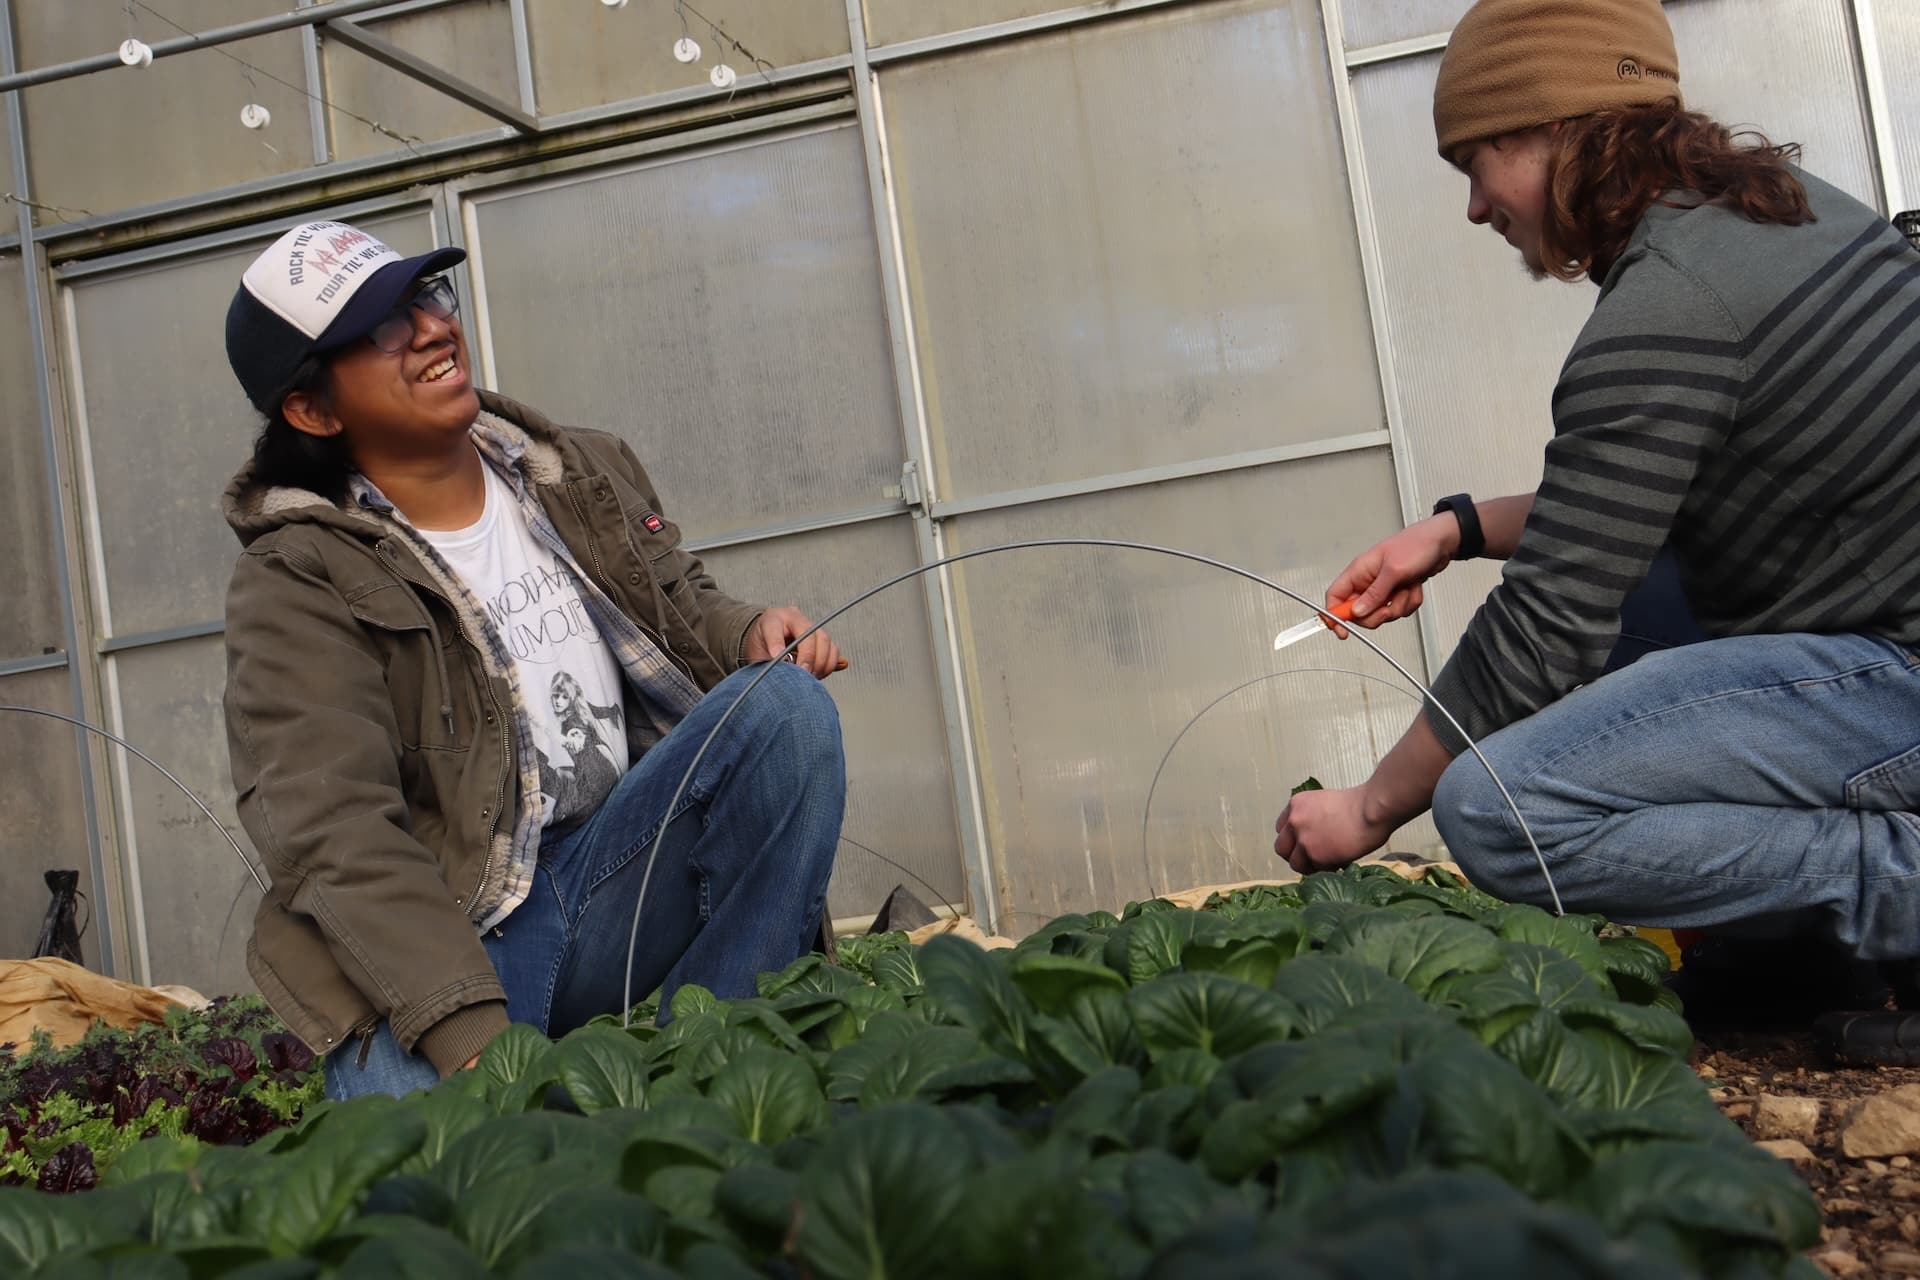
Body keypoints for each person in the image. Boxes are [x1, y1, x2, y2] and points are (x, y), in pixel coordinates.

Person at [1272, 0, 1920, 1038]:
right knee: (1657, 605)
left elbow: (1547, 627)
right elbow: (1644, 499)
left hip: (1900, 676)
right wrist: (1454, 529)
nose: (1477, 208)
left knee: (1500, 808)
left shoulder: (1669, 305)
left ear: (1559, 130)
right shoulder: (1784, 210)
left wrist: (1369, 806)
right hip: (1890, 638)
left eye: (1475, 163)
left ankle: (1894, 891)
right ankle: (1808, 947)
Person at [220, 220, 848, 1100]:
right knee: (431, 1178)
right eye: (380, 331)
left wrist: (744, 634)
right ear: (313, 409)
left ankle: (724, 1075)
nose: (434, 330)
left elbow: (677, 600)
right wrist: (474, 1040)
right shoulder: (296, 579)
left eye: (426, 301)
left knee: (785, 712)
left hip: (610, 871)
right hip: (459, 933)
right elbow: (337, 836)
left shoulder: (575, 470)